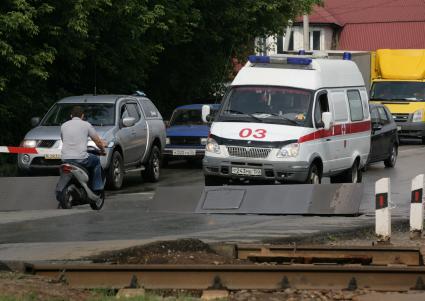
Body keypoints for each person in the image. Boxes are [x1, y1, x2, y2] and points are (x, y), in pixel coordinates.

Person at [61, 106, 106, 194]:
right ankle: (97, 187)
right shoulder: (86, 125)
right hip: (81, 158)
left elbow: (63, 140)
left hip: (65, 158)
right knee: (96, 161)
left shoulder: (64, 125)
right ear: (82, 116)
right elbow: (97, 141)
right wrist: (103, 150)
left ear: (71, 116)